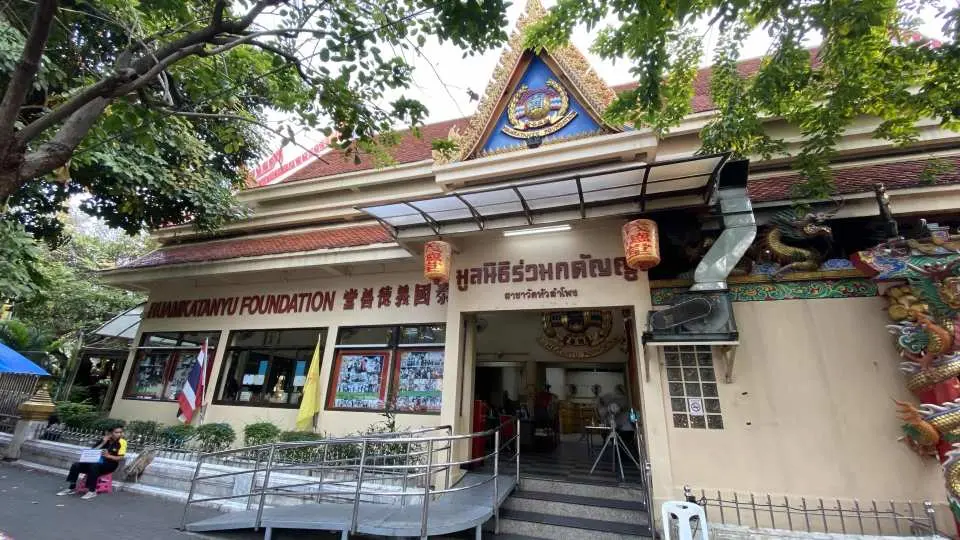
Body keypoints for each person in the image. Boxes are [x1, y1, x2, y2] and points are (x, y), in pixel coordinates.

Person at [57, 425, 127, 500]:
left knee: (94, 466)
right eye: (116, 432)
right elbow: (92, 451)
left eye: (120, 432)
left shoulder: (122, 442)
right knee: (76, 465)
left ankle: (92, 490)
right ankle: (72, 487)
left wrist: (108, 456)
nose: (119, 434)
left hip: (110, 464)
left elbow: (120, 458)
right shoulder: (103, 440)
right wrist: (103, 443)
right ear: (110, 433)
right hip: (94, 462)